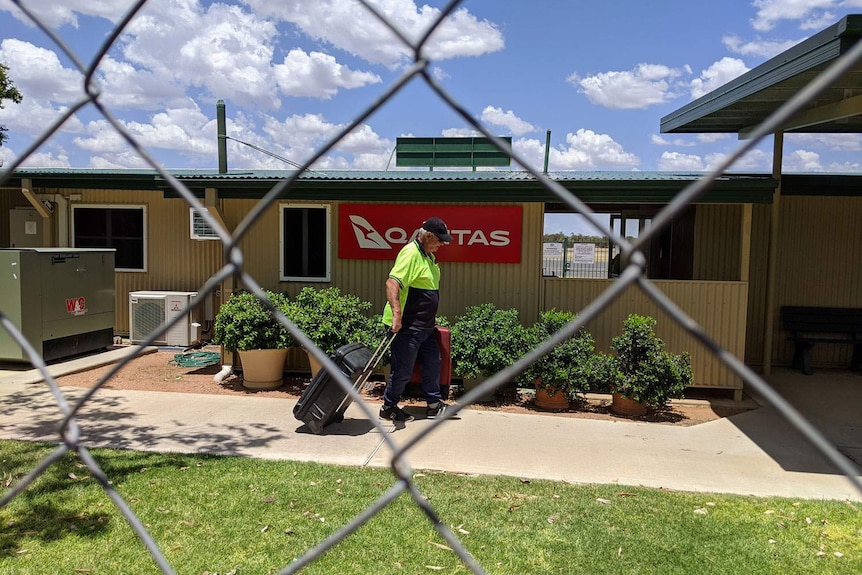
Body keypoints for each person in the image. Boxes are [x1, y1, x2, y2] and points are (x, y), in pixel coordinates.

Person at [379, 217, 452, 422]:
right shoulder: (411, 253)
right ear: (427, 235)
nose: (442, 245)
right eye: (439, 240)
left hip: (425, 326)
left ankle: (434, 405)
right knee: (403, 369)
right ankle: (389, 406)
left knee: (432, 363)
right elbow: (392, 282)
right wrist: (396, 315)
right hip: (407, 326)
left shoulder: (427, 255)